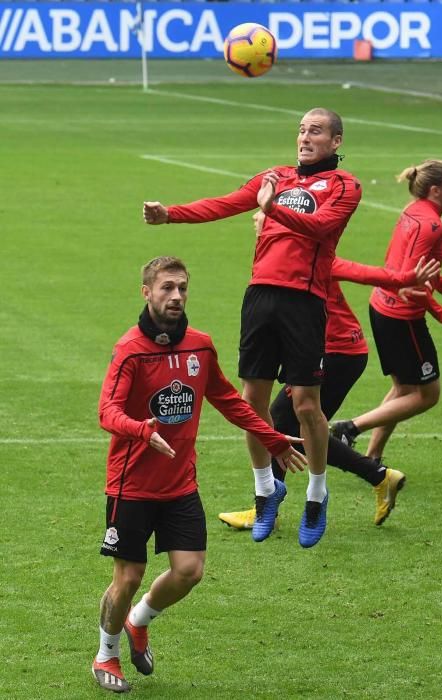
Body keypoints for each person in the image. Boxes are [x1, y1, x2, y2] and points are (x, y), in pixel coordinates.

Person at [143, 108, 361, 548]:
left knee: (305, 405)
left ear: (335, 141)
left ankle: (316, 495)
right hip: (260, 296)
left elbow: (322, 228)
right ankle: (266, 490)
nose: (305, 137)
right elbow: (226, 203)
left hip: (305, 299)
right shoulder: (275, 177)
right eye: (301, 130)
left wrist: (274, 207)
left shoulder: (344, 185)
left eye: (315, 131)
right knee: (251, 399)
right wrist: (171, 214)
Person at [92, 257, 306, 693]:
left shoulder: (200, 346)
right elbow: (106, 412)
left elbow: (229, 399)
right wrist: (141, 430)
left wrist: (273, 438)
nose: (176, 296)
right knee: (127, 578)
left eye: (182, 288)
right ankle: (106, 653)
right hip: (131, 484)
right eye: (167, 288)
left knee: (189, 571)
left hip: (179, 484)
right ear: (146, 292)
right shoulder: (130, 349)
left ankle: (139, 621)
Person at [219, 212, 441, 530]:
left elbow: (362, 273)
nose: (256, 220)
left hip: (338, 353)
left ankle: (268, 507)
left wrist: (405, 279)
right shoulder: (279, 258)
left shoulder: (309, 258)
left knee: (289, 424)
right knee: (291, 425)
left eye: (263, 216)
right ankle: (378, 477)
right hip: (333, 350)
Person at [331, 160, 442, 463]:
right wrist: (439, 312)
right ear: (435, 190)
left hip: (382, 308)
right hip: (401, 316)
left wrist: (439, 282)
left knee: (403, 389)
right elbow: (406, 284)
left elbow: (405, 265)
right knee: (427, 395)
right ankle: (349, 428)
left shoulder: (414, 210)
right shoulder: (432, 225)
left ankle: (373, 456)